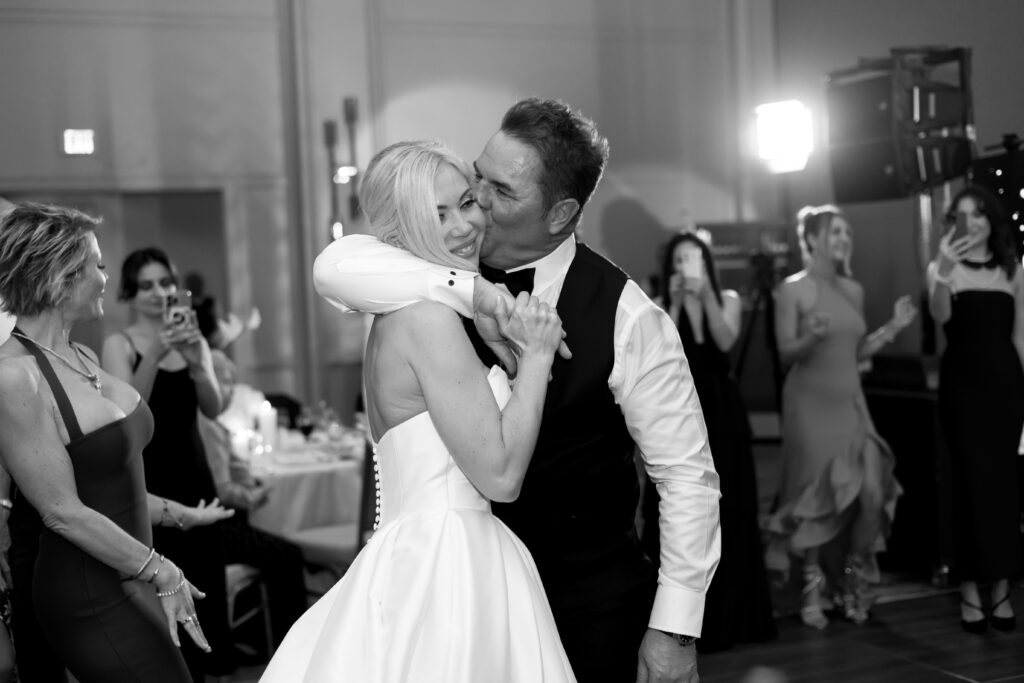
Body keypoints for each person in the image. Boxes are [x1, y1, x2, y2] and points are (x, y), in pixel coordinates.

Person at [311, 98, 721, 683]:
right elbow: (332, 265)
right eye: (477, 176)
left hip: (588, 607)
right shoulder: (428, 280)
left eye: (499, 192)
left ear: (560, 215)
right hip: (463, 599)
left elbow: (687, 480)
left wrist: (674, 631)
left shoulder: (629, 317)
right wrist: (472, 292)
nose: (476, 203)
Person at [263, 140, 573, 681]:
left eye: (467, 204)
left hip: (414, 551)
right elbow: (500, 476)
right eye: (438, 215)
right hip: (450, 561)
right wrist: (539, 354)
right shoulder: (428, 320)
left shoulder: (396, 315)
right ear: (399, 233)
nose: (463, 226)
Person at [0, 202, 208, 681]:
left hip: (131, 573)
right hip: (86, 588)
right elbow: (61, 510)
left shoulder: (81, 353)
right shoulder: (15, 375)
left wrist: (181, 513)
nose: (106, 277)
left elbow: (111, 487)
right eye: (97, 265)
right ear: (60, 277)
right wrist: (162, 569)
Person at [768, 204, 914, 628]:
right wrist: (810, 337)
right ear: (812, 239)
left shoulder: (854, 290)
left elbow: (855, 350)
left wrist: (892, 328)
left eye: (847, 234)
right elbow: (784, 354)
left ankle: (850, 575)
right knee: (817, 496)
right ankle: (813, 587)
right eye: (835, 232)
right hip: (808, 404)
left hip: (851, 403)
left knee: (870, 493)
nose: (844, 240)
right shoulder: (792, 290)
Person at [102, 247, 234, 679]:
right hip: (151, 481)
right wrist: (156, 354)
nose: (159, 293)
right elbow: (125, 415)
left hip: (195, 473)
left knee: (208, 593)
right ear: (129, 293)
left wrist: (198, 361)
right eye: (146, 285)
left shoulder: (193, 341)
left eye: (165, 283)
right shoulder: (118, 344)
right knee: (167, 606)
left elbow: (213, 409)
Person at [641, 231, 776, 653]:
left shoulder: (729, 298)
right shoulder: (655, 304)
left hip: (720, 407)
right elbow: (664, 349)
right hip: (677, 407)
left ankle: (738, 617)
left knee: (731, 505)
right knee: (678, 506)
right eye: (679, 260)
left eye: (694, 259)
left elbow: (724, 341)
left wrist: (705, 299)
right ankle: (678, 623)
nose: (686, 267)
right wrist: (678, 303)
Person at [927, 185, 1024, 633]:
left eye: (979, 214)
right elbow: (941, 317)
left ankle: (1001, 585)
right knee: (966, 482)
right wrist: (944, 270)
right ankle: (969, 588)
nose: (973, 223)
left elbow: (1020, 336)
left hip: (1005, 385)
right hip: (962, 386)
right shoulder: (942, 267)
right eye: (962, 216)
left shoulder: (1013, 268)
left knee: (1004, 484)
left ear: (992, 220)